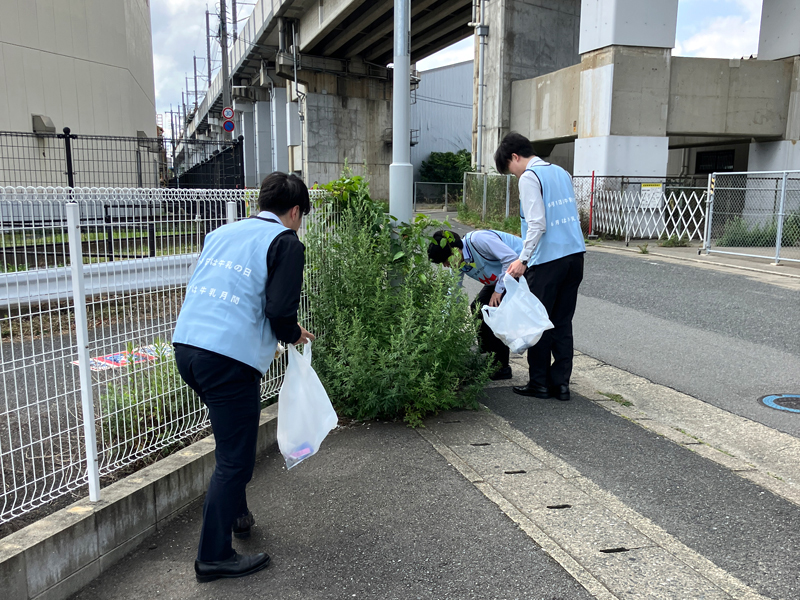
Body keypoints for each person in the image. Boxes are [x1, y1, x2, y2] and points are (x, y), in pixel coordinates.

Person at [172, 172, 315, 582]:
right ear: (294, 211)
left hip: (188, 347)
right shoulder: (286, 242)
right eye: (300, 216)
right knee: (235, 459)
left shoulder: (223, 232)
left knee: (230, 444)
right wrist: (293, 334)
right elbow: (279, 310)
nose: (299, 222)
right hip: (228, 359)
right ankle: (213, 557)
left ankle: (237, 514)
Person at [494, 132, 585, 401]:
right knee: (562, 322)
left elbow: (537, 224)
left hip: (547, 260)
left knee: (538, 321)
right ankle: (561, 385)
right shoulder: (561, 173)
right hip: (575, 256)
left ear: (514, 157)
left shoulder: (530, 177)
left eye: (511, 171)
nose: (514, 176)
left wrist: (523, 259)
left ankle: (540, 383)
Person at [428, 228, 523, 380]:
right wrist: (443, 323)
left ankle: (500, 366)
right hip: (501, 278)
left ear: (455, 251)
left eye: (445, 261)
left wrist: (498, 290)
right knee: (478, 307)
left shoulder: (479, 240)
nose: (446, 265)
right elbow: (454, 292)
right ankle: (487, 358)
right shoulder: (458, 262)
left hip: (522, 269)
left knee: (492, 309)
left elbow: (512, 259)